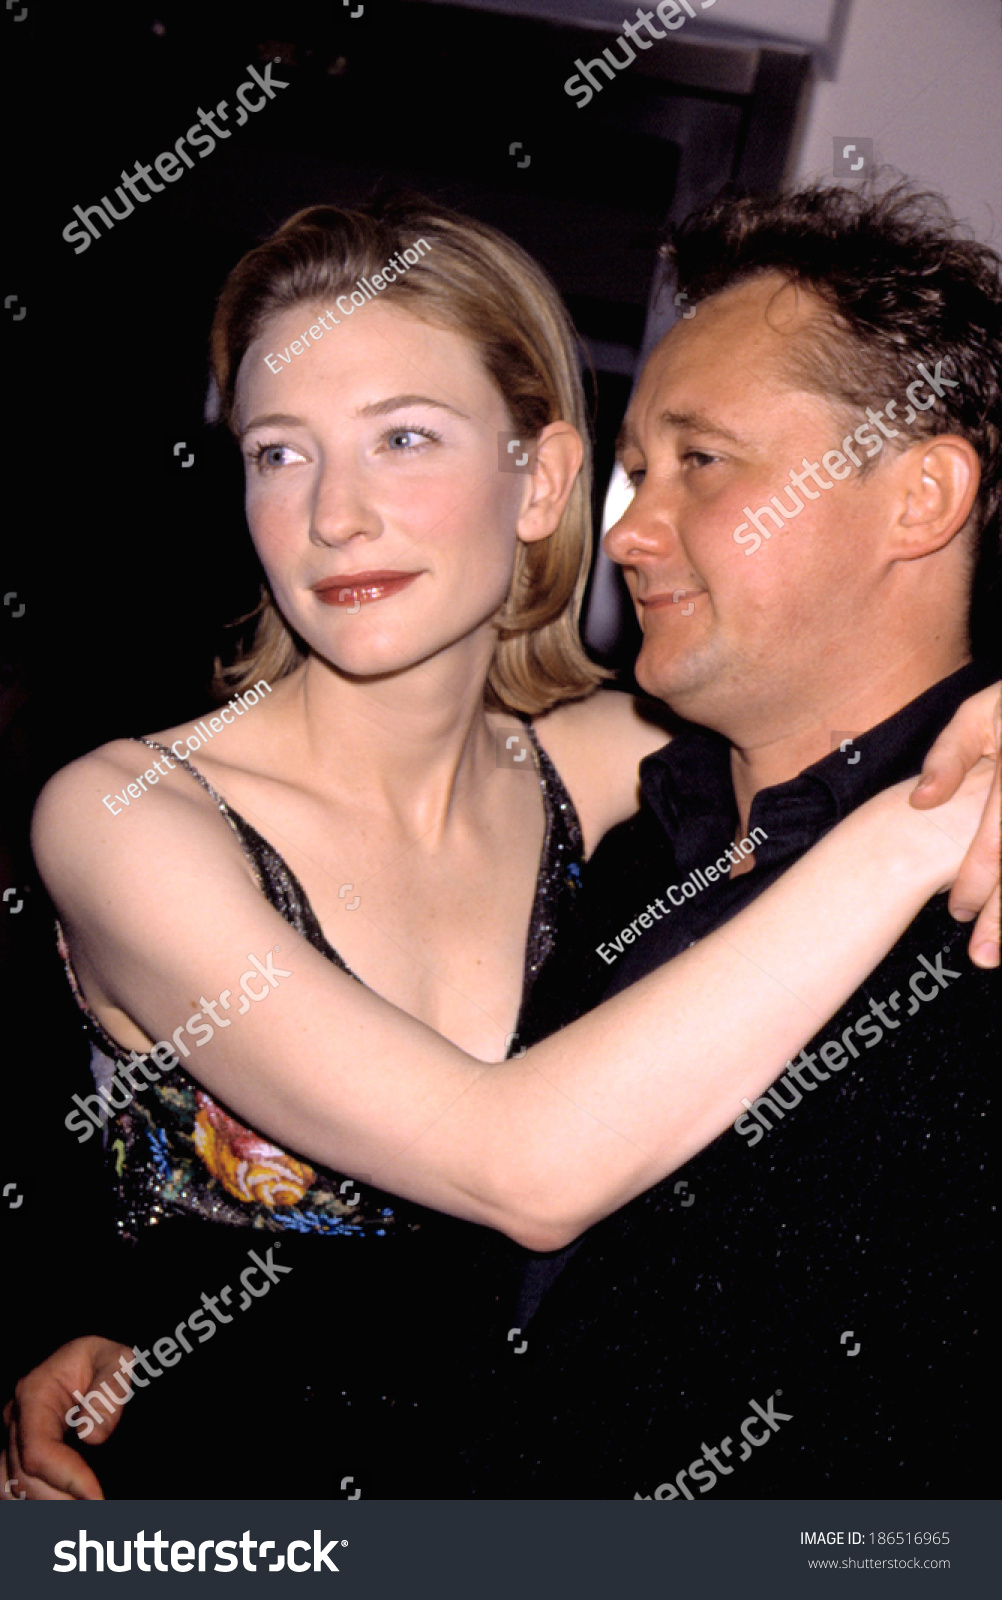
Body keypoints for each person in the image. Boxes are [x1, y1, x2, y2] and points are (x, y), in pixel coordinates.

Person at [1, 192, 996, 1502]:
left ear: (541, 481)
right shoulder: (128, 811)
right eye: (277, 453)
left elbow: (847, 700)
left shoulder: (627, 769)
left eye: (403, 437)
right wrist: (919, 829)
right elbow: (518, 1169)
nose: (333, 515)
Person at [470, 179, 1002, 1498]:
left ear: (921, 497)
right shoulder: (630, 847)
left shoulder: (986, 867)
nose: (627, 533)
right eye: (635, 472)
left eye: (700, 462)